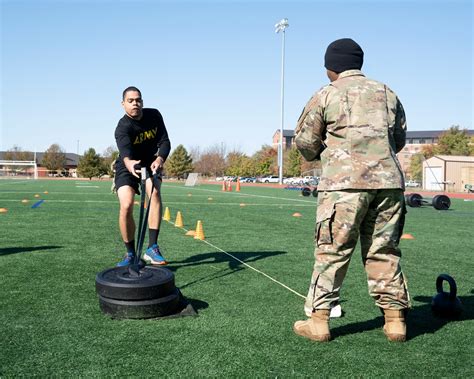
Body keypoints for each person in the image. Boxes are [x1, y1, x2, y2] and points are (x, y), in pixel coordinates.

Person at [292, 38, 410, 342]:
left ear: (330, 66)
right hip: (388, 184)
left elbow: (305, 143)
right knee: (384, 250)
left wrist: (328, 154)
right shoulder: (387, 92)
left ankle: (319, 321)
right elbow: (399, 138)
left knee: (331, 250)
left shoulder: (325, 94)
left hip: (344, 187)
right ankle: (395, 321)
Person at [114, 86, 171, 266]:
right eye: (130, 101)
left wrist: (160, 158)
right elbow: (126, 154)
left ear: (142, 102)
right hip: (128, 165)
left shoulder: (154, 115)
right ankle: (130, 253)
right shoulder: (122, 127)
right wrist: (131, 164)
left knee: (154, 194)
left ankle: (152, 248)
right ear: (123, 104)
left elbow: (165, 141)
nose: (135, 103)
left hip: (150, 162)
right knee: (127, 204)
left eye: (138, 100)